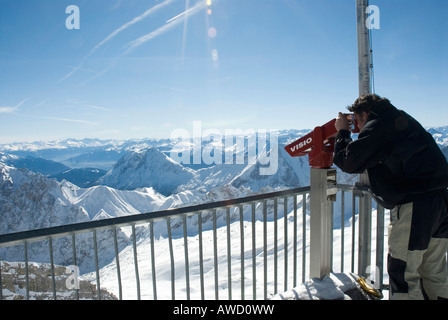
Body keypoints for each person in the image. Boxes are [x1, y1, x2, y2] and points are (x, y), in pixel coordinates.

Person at [333, 93, 448, 300]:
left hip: (415, 207)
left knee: (403, 273)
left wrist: (342, 132)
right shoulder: (401, 120)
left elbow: (348, 162)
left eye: (357, 121)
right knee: (434, 272)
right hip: (440, 202)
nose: (358, 127)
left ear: (365, 113)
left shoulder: (379, 125)